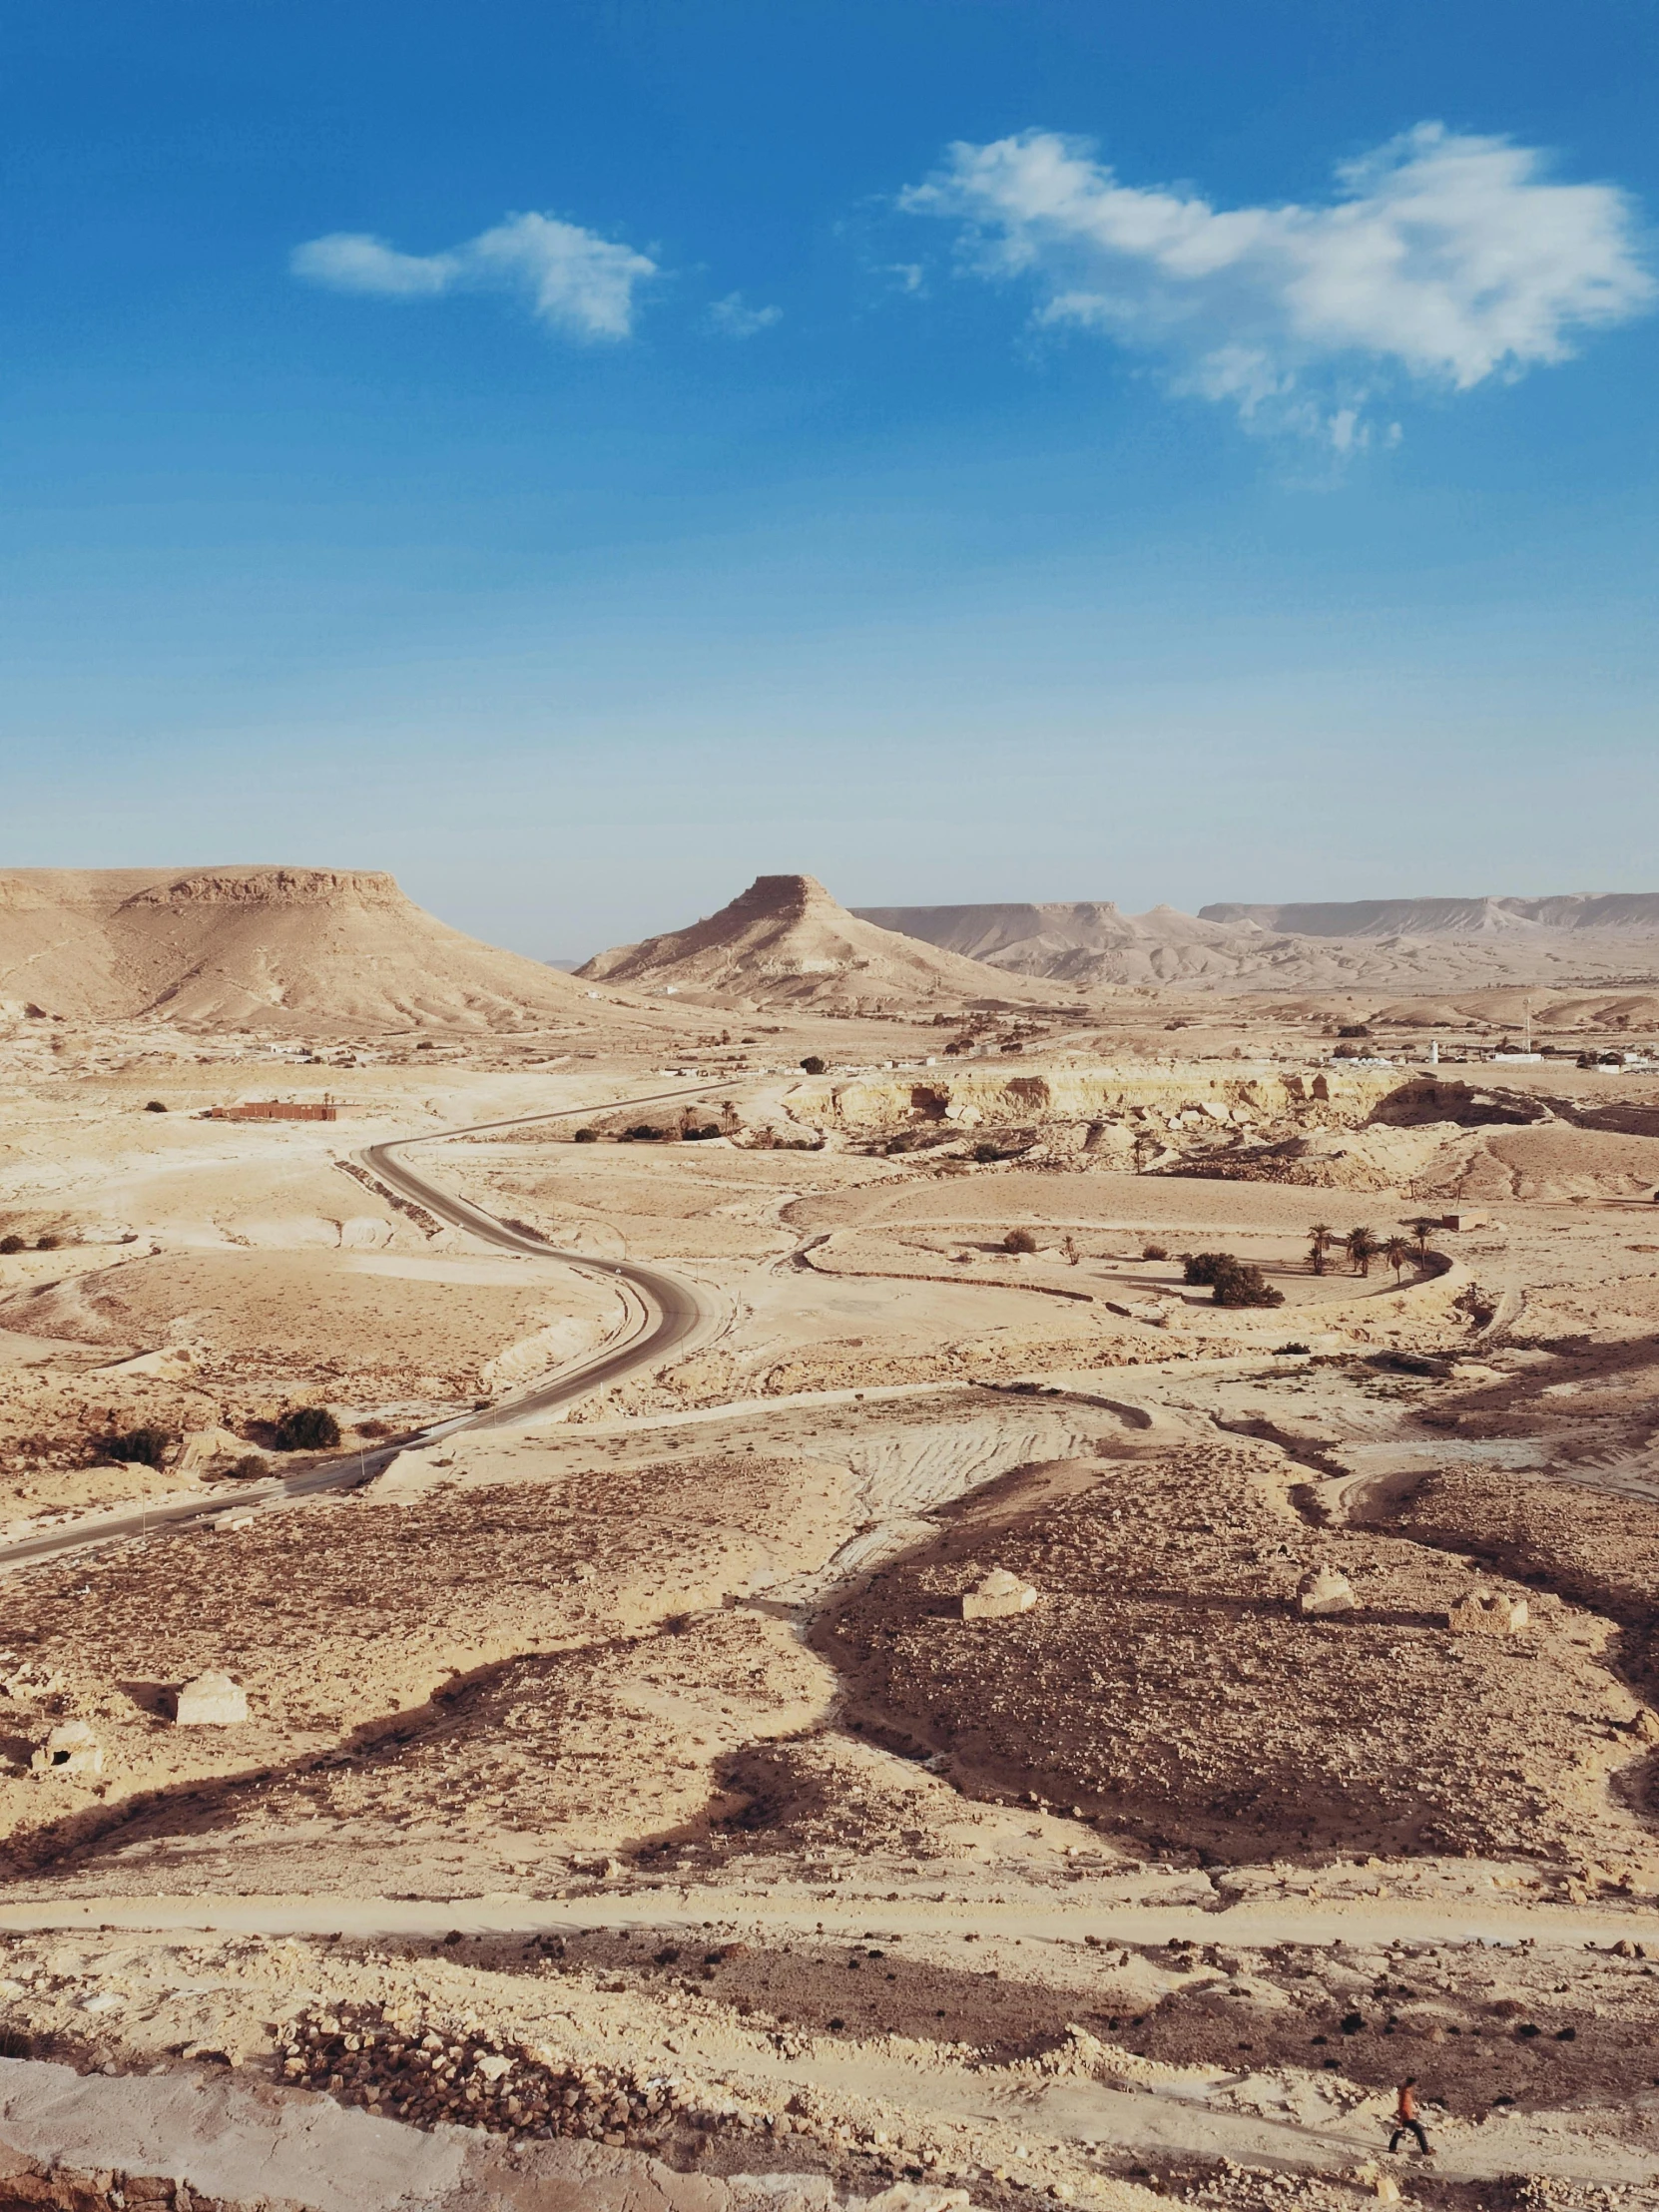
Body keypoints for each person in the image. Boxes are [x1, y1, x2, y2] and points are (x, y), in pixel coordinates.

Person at [1387, 2079, 1433, 2157]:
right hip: (1407, 2116)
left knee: (1399, 2131)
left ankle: (1392, 2148)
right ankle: (1426, 2150)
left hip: (1406, 2116)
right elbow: (1403, 2106)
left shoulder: (1405, 2092)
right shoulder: (1405, 2093)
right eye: (1414, 2086)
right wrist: (1404, 2116)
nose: (1415, 2088)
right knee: (1419, 2131)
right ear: (1411, 2085)